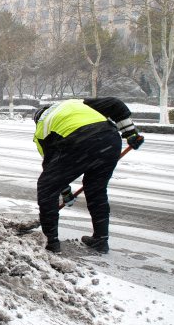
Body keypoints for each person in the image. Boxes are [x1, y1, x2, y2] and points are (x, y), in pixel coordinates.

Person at [32, 98, 144, 254]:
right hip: (110, 139)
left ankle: (51, 243)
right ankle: (101, 239)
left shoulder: (41, 130)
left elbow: (51, 169)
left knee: (46, 187)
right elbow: (114, 104)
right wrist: (130, 132)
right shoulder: (73, 104)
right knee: (96, 189)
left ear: (37, 119)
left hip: (79, 140)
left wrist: (65, 193)